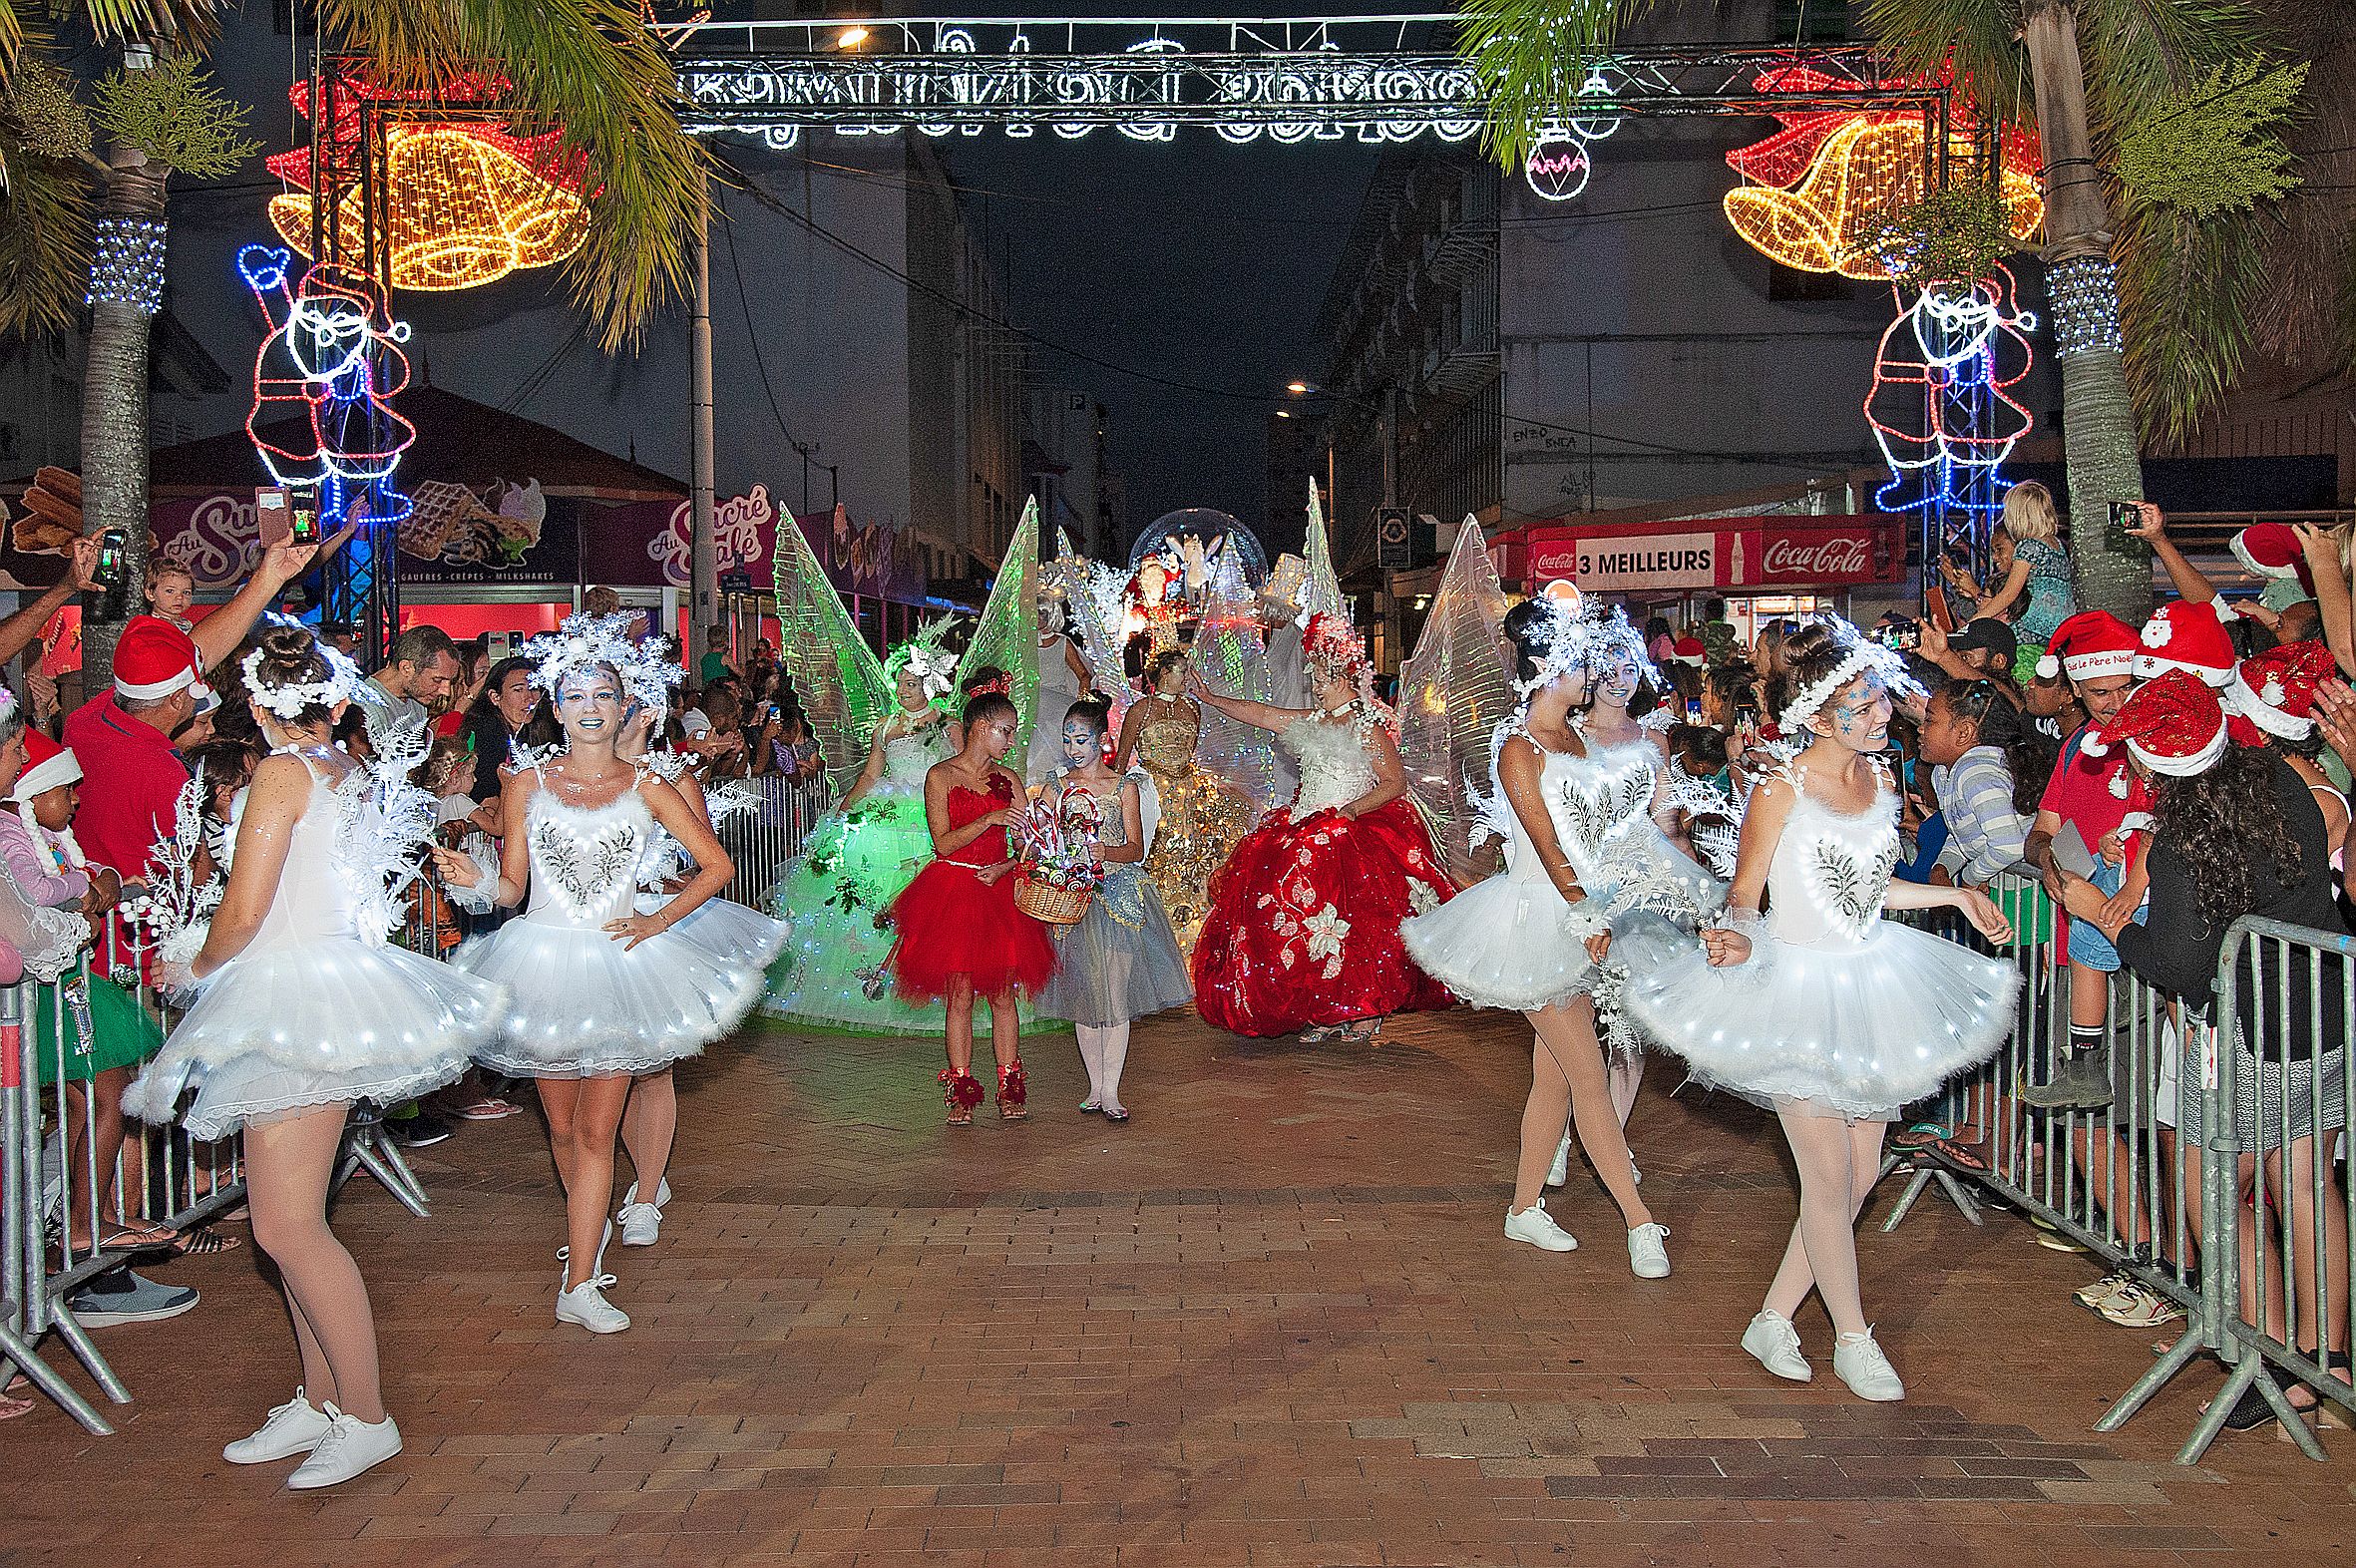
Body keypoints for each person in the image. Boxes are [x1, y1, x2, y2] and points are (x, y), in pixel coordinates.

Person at [123, 624, 504, 1488]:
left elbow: (247, 910)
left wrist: (194, 961)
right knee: (283, 1223)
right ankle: (321, 1397)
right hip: (325, 987)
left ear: (255, 708)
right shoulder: (345, 770)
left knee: (287, 1226)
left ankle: (366, 1414)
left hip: (295, 997)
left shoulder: (282, 774)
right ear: (335, 702)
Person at [1621, 616, 2017, 1401]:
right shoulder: (1780, 787)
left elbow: (1869, 894)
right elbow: (1746, 893)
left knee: (1861, 1173)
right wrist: (1733, 938)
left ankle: (1773, 1315)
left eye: (1881, 702)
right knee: (1829, 1180)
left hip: (1871, 987)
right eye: (1865, 702)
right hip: (1796, 994)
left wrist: (1955, 895)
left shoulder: (1882, 782)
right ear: (1817, 707)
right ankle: (1853, 1338)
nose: (1882, 715)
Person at [436, 621, 755, 1336]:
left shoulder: (649, 785)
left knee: (596, 1129)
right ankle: (588, 1227)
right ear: (555, 702)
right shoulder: (522, 783)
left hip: (616, 967)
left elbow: (716, 867)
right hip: (540, 962)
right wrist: (477, 880)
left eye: (603, 694)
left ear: (622, 706)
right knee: (560, 1127)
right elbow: (514, 888)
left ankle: (579, 1280)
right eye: (574, 692)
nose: (589, 705)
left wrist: (655, 922)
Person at [2060, 672, 2351, 1432]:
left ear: (2154, 766)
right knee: (2309, 1185)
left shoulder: (2192, 840)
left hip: (2246, 1032)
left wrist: (2100, 914)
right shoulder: (2277, 781)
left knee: (2213, 1190)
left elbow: (2179, 966)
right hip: (2322, 1014)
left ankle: (2275, 1359)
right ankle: (2325, 1358)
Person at [1398, 592, 1669, 1275]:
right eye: (1581, 663)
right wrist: (1585, 911)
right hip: (1534, 920)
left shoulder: (1575, 739)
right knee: (1589, 1077)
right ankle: (1639, 1221)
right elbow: (1548, 849)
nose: (1594, 675)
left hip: (1584, 915)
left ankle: (1524, 1210)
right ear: (1550, 667)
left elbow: (1594, 834)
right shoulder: (1518, 748)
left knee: (1554, 1079)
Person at [1187, 612, 1455, 1042]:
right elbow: (1261, 713)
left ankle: (1360, 1009)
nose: (1314, 682)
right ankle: (1321, 1006)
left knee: (1355, 926)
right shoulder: (1312, 721)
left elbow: (1394, 783)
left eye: (1320, 674)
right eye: (1313, 673)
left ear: (1341, 674)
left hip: (1348, 829)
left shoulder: (1367, 726)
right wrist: (1215, 700)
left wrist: (1349, 813)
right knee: (1295, 915)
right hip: (1304, 824)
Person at [4, 728, 183, 1257]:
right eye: (67, 790)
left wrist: (96, 874)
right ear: (36, 794)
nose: (78, 800)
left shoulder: (48, 838)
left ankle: (95, 1214)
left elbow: (82, 874)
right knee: (110, 1100)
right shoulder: (12, 835)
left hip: (73, 987)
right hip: (51, 993)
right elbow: (33, 895)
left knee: (97, 1105)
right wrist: (85, 885)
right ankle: (86, 1222)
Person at [762, 623, 963, 1033]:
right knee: (863, 898)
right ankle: (861, 983)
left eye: (910, 683)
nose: (903, 690)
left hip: (932, 813)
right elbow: (871, 774)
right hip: (885, 814)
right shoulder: (885, 726)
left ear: (929, 683)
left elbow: (960, 770)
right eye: (900, 683)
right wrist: (847, 805)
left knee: (928, 898)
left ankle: (931, 987)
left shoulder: (947, 723)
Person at [886, 686, 1057, 1125]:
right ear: (980, 728)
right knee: (958, 995)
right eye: (1005, 731)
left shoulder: (1010, 779)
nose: (1010, 741)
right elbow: (942, 844)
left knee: (1004, 994)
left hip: (998, 890)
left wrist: (1006, 866)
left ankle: (1009, 1084)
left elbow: (1036, 844)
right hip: (955, 890)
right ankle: (961, 1088)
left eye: (1013, 733)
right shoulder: (940, 776)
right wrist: (987, 820)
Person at [1034, 699, 1192, 1122]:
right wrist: (1044, 851)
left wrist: (1105, 851)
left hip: (1118, 896)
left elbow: (1137, 848)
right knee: (1086, 993)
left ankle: (1112, 1089)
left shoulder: (1126, 786)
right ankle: (1093, 1087)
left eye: (1082, 739)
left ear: (1102, 739)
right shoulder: (1056, 785)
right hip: (1073, 899)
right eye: (1067, 740)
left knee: (1116, 992)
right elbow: (1039, 840)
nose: (1073, 748)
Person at [1112, 647, 1254, 950]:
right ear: (1165, 673)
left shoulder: (1192, 707)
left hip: (1189, 791)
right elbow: (1121, 759)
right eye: (1182, 671)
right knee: (1157, 852)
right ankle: (1156, 926)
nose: (1188, 677)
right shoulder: (1141, 710)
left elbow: (1190, 750)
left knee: (1196, 852)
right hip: (1152, 790)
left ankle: (1191, 923)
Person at [1972, 482, 2077, 682]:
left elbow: (2009, 593)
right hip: (2061, 626)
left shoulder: (2028, 546)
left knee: (1991, 647)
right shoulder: (2056, 545)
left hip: (2033, 626)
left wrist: (1976, 620)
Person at [458, 656, 541, 808]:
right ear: (495, 697)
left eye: (534, 688)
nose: (529, 698)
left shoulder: (530, 729)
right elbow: (484, 796)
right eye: (518, 690)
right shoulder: (486, 732)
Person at [353, 624, 460, 741]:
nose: (446, 691)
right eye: (437, 680)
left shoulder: (417, 702)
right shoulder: (364, 707)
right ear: (406, 668)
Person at [1028, 599, 1093, 785]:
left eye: (1042, 614)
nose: (1038, 618)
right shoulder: (1025, 643)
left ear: (1051, 616)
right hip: (1031, 698)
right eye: (1035, 613)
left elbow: (1083, 675)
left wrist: (1082, 701)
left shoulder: (1063, 643)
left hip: (1058, 700)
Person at [144, 561, 196, 632]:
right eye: (170, 591)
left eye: (186, 592)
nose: (180, 597)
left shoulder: (186, 623)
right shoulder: (153, 626)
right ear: (150, 594)